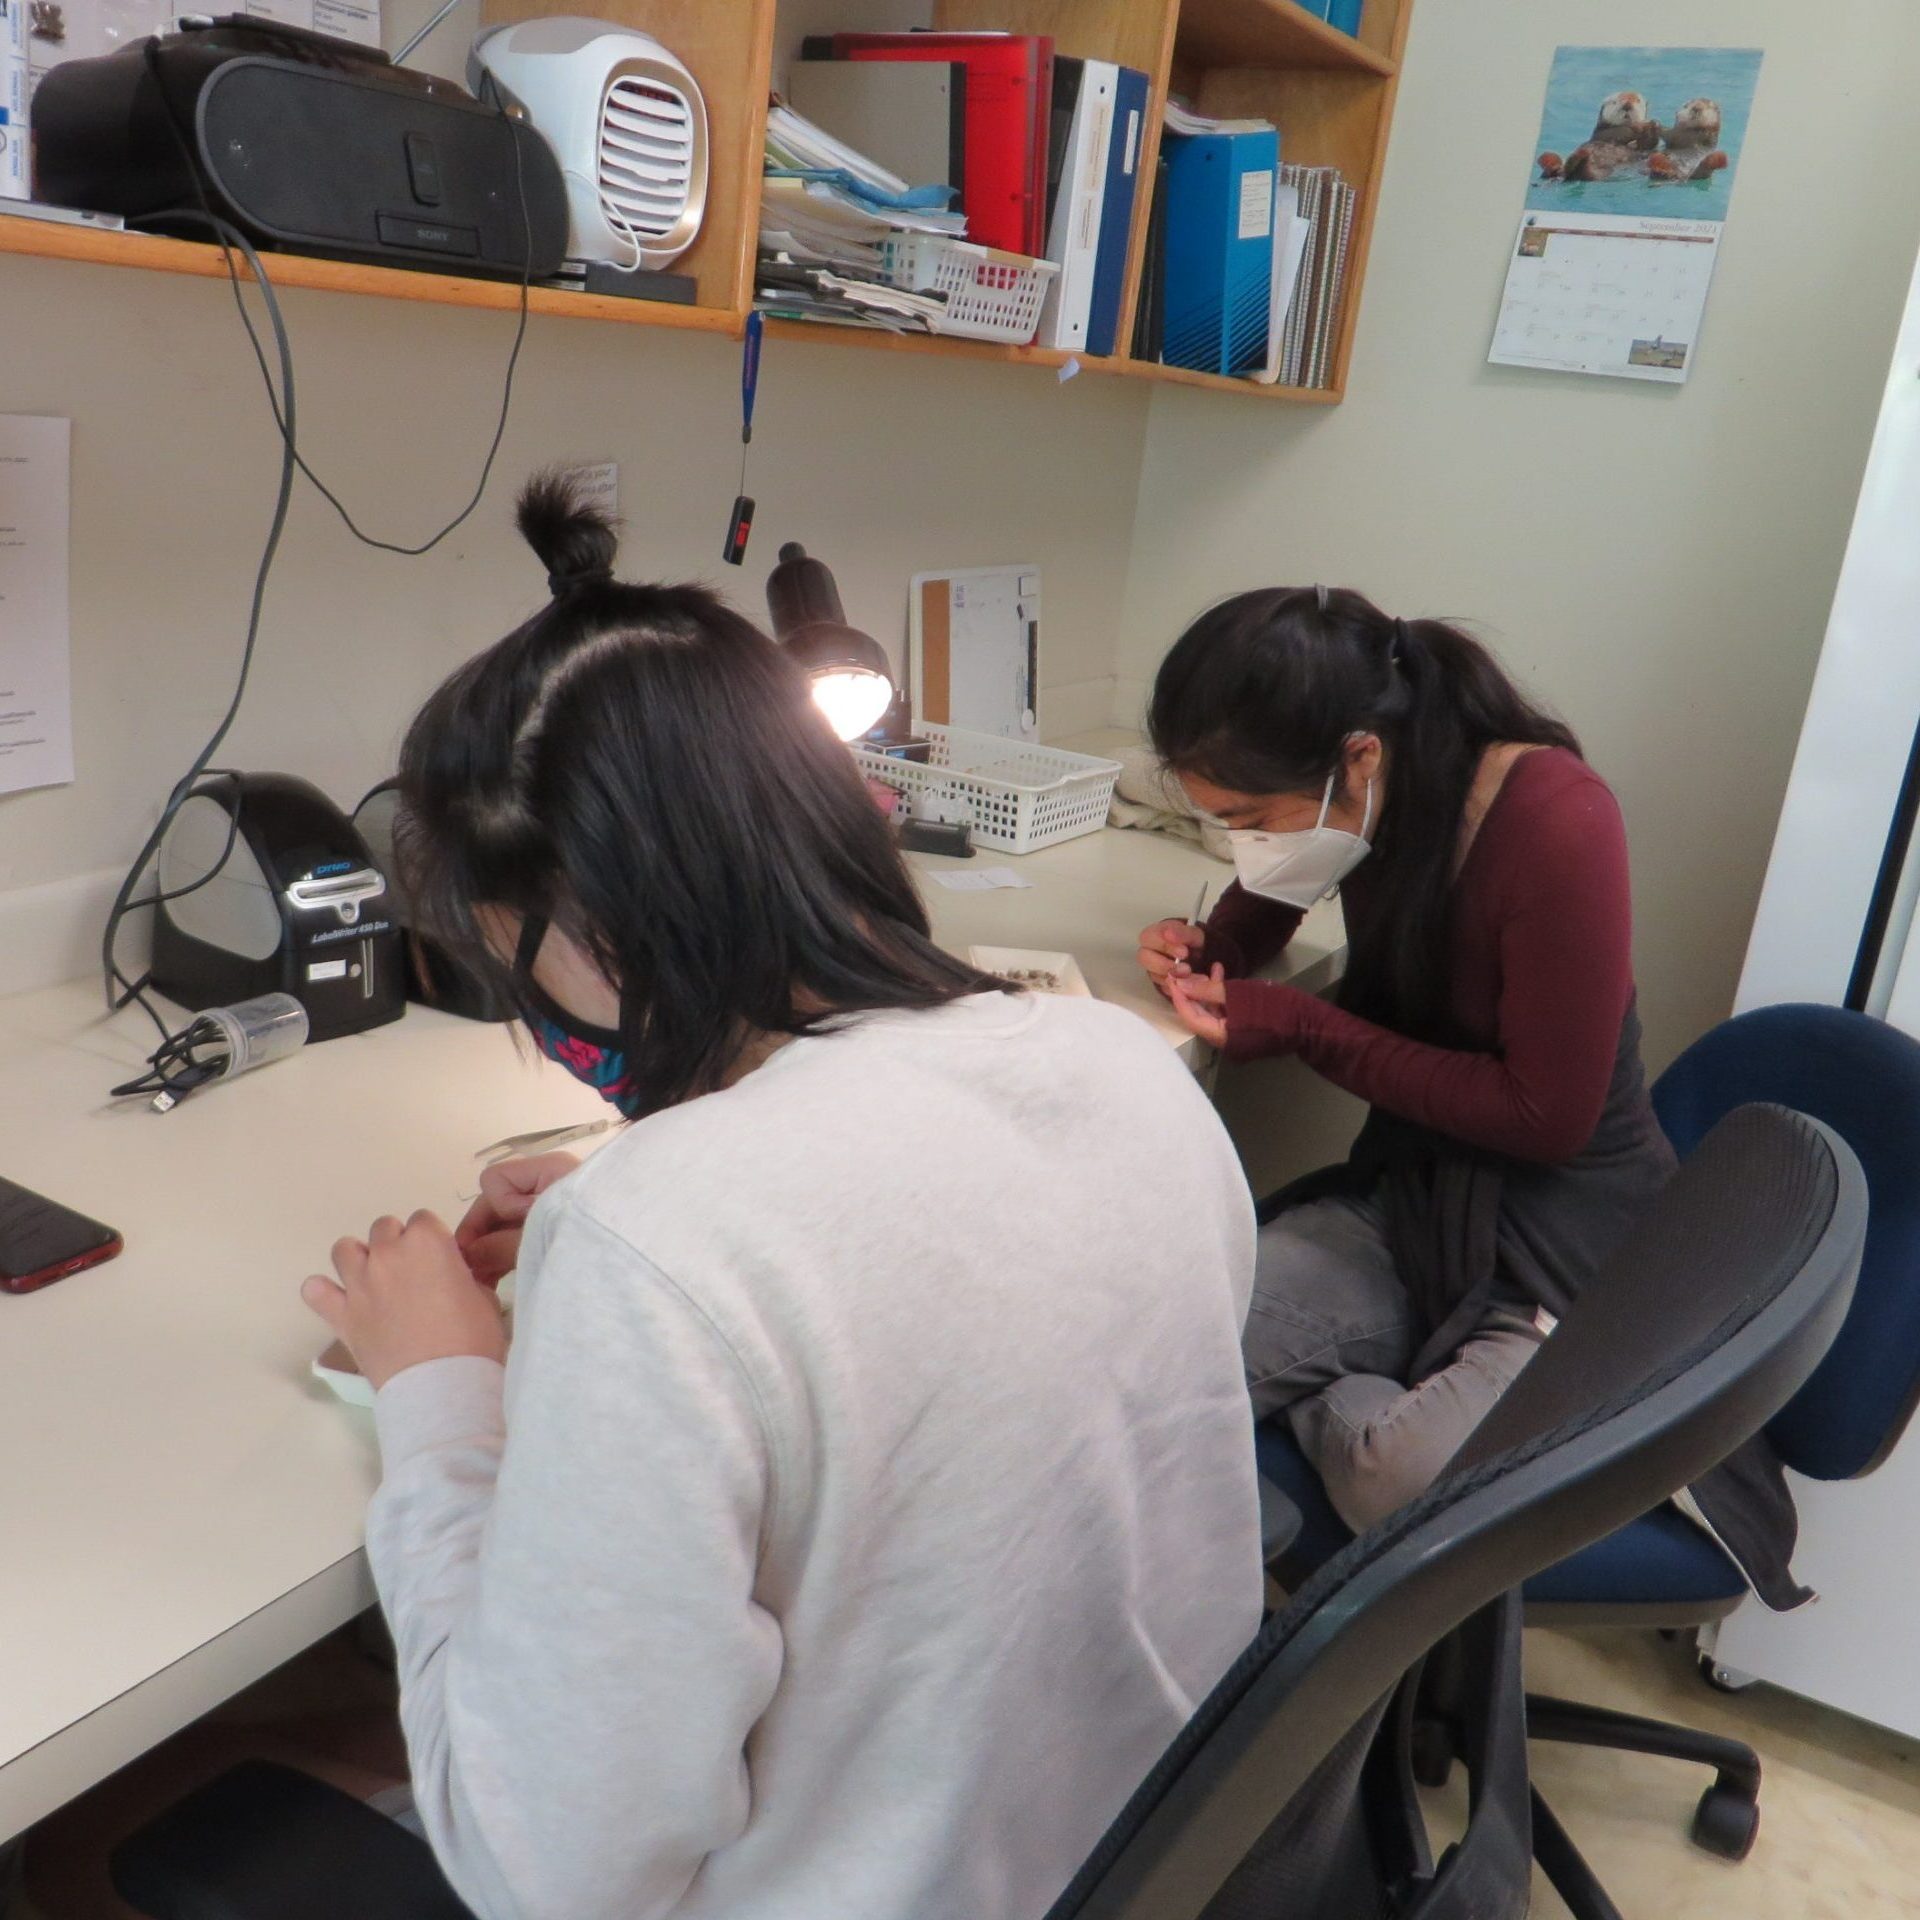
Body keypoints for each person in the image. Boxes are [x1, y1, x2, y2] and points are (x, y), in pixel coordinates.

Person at [297, 475, 1264, 1920]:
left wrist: (442, 1391)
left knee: (156, 1814)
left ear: (598, 925)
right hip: (1115, 1851)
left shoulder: (666, 1240)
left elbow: (548, 1871)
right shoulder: (1128, 1067)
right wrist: (652, 1254)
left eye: (515, 956)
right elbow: (928, 1292)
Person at [1133, 586, 1804, 1606]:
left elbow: (1547, 1116)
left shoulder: (1556, 822)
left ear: (1359, 757)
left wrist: (1302, 1024)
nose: (1243, 846)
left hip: (1563, 1256)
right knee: (1162, 1358)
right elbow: (1287, 864)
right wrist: (1216, 949)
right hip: (1416, 1208)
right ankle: (1384, 1383)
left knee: (1397, 1477)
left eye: (1248, 821)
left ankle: (1359, 1396)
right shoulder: (1369, 793)